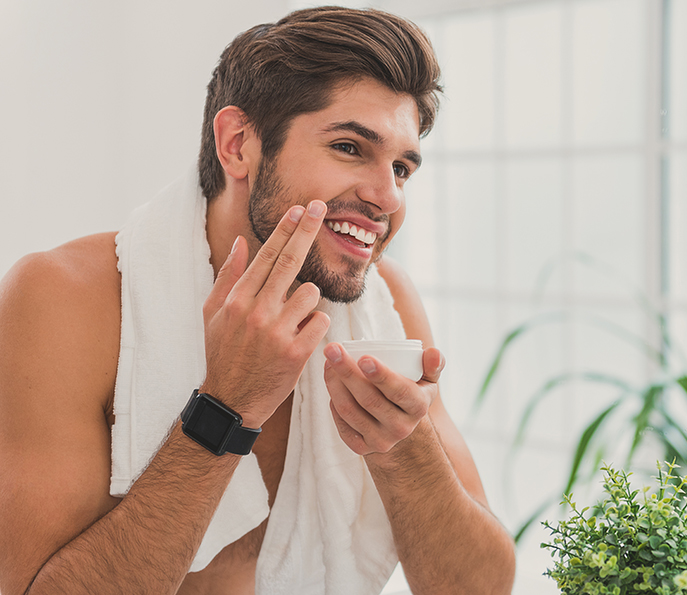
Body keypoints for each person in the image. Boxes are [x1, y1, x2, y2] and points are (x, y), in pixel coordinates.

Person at [0, 7, 515, 595]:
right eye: (350, 147)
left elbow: (483, 588)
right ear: (238, 144)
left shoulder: (387, 301)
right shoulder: (64, 300)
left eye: (401, 167)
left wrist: (405, 447)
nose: (387, 196)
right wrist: (225, 406)